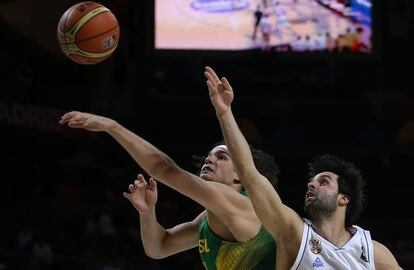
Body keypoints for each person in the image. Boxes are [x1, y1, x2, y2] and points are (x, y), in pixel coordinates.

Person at [203, 66, 403, 269]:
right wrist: (225, 113)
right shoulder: (293, 232)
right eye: (311, 182)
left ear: (344, 198)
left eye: (323, 182)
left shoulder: (373, 251)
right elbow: (249, 173)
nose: (311, 185)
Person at [59, 111, 280, 269]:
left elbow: (164, 169)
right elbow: (159, 247)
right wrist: (147, 213)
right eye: (209, 155)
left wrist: (112, 127)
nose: (210, 159)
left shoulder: (241, 203)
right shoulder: (208, 218)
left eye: (221, 157)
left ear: (239, 175)